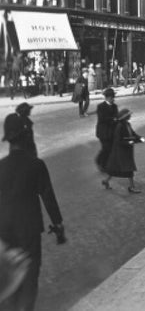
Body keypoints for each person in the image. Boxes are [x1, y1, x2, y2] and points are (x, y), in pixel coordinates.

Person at [0, 113, 65, 311]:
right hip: (29, 229)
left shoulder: (0, 166)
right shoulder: (36, 165)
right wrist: (59, 225)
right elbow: (48, 198)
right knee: (29, 278)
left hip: (4, 230)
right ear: (26, 136)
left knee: (9, 278)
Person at [103, 109, 145, 193]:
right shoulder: (119, 126)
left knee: (116, 169)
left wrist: (139, 137)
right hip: (121, 151)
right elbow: (118, 140)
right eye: (129, 115)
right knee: (129, 168)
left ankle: (106, 181)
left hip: (126, 150)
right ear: (125, 117)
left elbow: (133, 134)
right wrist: (128, 142)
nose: (130, 116)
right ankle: (131, 187)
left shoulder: (127, 124)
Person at [95, 88, 118, 174]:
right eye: (112, 97)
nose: (113, 99)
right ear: (107, 98)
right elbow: (102, 119)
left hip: (111, 132)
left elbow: (117, 116)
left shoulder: (115, 106)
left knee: (110, 148)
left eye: (113, 97)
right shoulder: (100, 106)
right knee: (106, 148)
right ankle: (101, 163)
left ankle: (104, 162)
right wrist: (113, 119)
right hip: (103, 132)